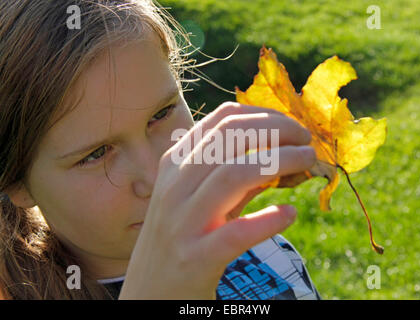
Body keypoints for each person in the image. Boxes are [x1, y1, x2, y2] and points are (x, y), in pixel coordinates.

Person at [0, 0, 320, 300]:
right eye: (96, 154)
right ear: (17, 183)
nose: (157, 174)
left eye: (161, 114)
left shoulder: (263, 252)